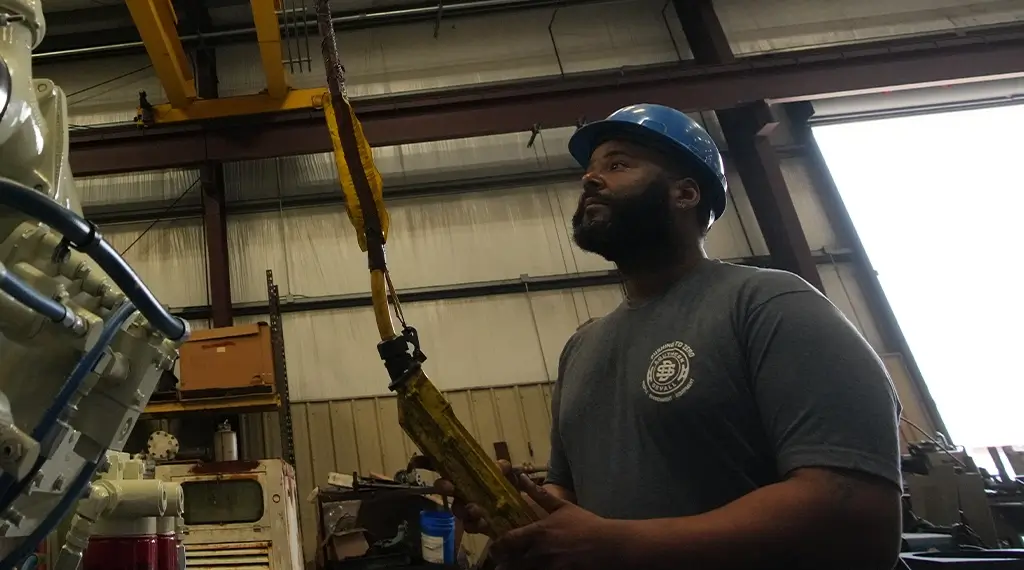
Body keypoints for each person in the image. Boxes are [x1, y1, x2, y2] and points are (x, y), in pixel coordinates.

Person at [451, 104, 904, 570]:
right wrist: (508, 504)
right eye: (589, 169)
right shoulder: (581, 349)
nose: (589, 179)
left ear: (685, 193)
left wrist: (618, 546)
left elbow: (858, 517)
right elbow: (569, 499)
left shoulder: (769, 305)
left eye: (618, 164)